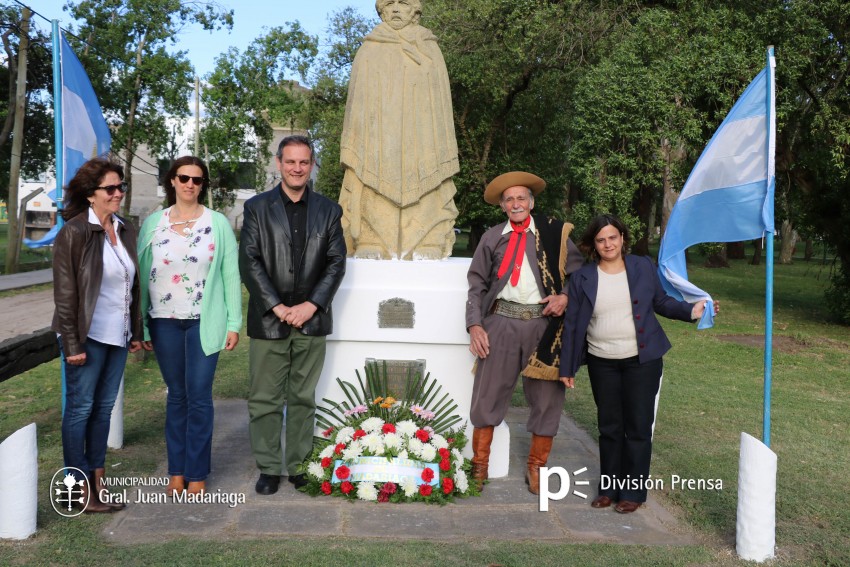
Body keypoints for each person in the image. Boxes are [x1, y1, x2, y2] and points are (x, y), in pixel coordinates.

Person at [559, 214, 717, 514]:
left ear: (622, 238)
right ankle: (609, 489)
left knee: (638, 428)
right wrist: (567, 367)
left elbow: (661, 302)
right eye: (601, 239)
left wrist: (691, 311)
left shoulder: (642, 266)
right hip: (602, 362)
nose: (608, 244)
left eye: (613, 237)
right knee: (609, 428)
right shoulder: (583, 277)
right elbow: (574, 324)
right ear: (594, 244)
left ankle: (633, 492)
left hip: (642, 362)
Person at [239, 135, 347, 495]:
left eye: (303, 162)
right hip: (270, 319)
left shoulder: (329, 210)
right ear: (278, 163)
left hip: (312, 319)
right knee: (265, 398)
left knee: (303, 397)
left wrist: (310, 305)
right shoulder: (256, 208)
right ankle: (269, 467)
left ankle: (299, 465)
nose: (297, 168)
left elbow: (335, 263)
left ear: (312, 164)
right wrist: (279, 307)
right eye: (290, 162)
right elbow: (250, 262)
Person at [466, 171, 583, 494]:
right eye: (509, 199)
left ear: (531, 203)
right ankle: (479, 464)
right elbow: (476, 285)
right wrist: (475, 324)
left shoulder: (554, 235)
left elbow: (581, 276)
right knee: (487, 395)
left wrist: (565, 297)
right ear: (502, 206)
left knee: (547, 399)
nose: (515, 203)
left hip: (542, 326)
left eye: (521, 198)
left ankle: (537, 467)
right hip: (500, 322)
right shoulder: (492, 238)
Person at [137, 156, 242, 496]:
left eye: (197, 180)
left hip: (203, 322)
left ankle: (197, 471)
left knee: (198, 396)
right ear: (172, 181)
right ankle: (176, 471)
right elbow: (140, 276)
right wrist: (144, 325)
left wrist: (234, 322)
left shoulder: (218, 224)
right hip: (164, 321)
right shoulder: (153, 223)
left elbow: (230, 275)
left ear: (202, 185)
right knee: (176, 397)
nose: (190, 184)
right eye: (184, 178)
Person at [51, 158, 143, 513]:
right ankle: (77, 490)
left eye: (121, 187)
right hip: (86, 336)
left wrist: (134, 332)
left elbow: (131, 287)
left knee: (103, 410)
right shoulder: (74, 232)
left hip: (117, 336)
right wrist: (72, 344)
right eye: (111, 188)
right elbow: (65, 295)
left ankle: (97, 484)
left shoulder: (125, 229)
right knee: (80, 409)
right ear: (92, 195)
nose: (118, 193)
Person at [339, 0, 459, 260]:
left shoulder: (429, 47)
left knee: (427, 172)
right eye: (389, 4)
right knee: (370, 175)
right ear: (381, 10)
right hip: (378, 135)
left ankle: (429, 237)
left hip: (422, 133)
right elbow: (357, 104)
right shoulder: (370, 48)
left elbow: (439, 100)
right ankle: (371, 238)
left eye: (402, 3)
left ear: (415, 10)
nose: (395, 9)